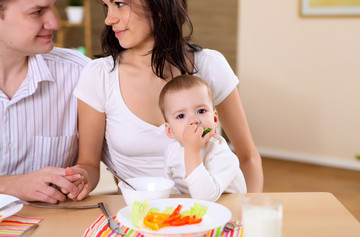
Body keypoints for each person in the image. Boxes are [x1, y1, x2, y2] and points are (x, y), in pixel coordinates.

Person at [67, 0, 263, 200]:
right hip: (138, 217)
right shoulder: (99, 75)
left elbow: (248, 157)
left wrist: (248, 212)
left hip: (210, 214)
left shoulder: (210, 66)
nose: (109, 19)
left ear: (159, 7)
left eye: (119, 4)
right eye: (106, 6)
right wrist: (80, 178)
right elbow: (89, 164)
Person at [0, 0, 91, 203]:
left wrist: (81, 178)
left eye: (53, 9)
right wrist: (10, 185)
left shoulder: (80, 73)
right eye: (37, 12)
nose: (54, 23)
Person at [159, 75, 247, 201]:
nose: (194, 121)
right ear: (169, 130)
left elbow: (206, 197)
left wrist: (192, 152)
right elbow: (172, 191)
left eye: (201, 111)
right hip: (198, 214)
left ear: (215, 119)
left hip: (231, 214)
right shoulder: (171, 152)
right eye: (181, 116)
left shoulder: (222, 154)